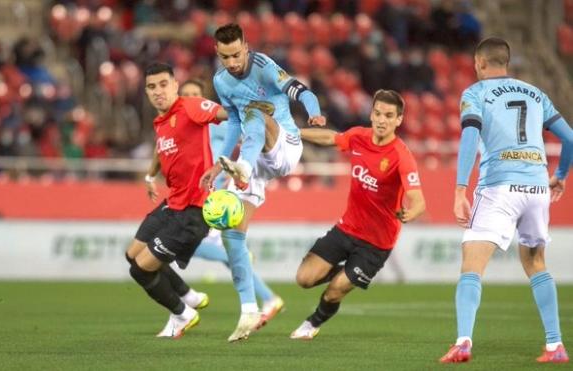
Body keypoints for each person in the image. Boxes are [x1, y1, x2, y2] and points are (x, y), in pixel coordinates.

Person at [439, 37, 572, 364]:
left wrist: (459, 189)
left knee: (472, 262)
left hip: (499, 186)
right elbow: (569, 138)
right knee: (536, 263)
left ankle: (463, 341)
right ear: (506, 62)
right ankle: (555, 346)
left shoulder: (475, 93)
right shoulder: (536, 93)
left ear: (480, 63)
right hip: (538, 188)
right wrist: (562, 176)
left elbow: (470, 134)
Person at [200, 23, 326, 342]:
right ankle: (249, 310)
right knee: (232, 235)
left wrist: (314, 112)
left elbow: (301, 91)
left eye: (236, 54)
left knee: (255, 113)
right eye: (225, 56)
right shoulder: (221, 81)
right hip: (254, 158)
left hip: (284, 145)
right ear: (218, 52)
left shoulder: (264, 66)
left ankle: (241, 166)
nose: (231, 62)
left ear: (246, 46)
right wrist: (218, 165)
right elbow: (232, 127)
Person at [290, 89, 426, 340]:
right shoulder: (359, 137)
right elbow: (330, 137)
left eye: (388, 115)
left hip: (376, 242)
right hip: (346, 229)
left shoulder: (401, 156)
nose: (382, 120)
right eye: (377, 113)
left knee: (336, 290)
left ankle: (312, 323)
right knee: (304, 279)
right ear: (371, 114)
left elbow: (419, 200)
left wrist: (410, 213)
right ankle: (348, 272)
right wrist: (295, 133)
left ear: (399, 120)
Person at [126, 63, 226, 339]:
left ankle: (182, 314)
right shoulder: (160, 123)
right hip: (173, 202)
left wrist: (250, 114)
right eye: (151, 87)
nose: (157, 91)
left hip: (194, 209)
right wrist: (149, 176)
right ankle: (188, 295)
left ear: (174, 85)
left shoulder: (191, 106)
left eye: (162, 84)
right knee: (132, 253)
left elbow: (225, 114)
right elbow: (162, 153)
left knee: (141, 270)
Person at [179, 79, 285, 331]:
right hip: (199, 194)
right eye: (186, 96)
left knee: (187, 243)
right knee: (219, 251)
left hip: (218, 194)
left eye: (196, 94)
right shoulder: (183, 125)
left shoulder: (214, 121)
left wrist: (230, 169)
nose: (191, 99)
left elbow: (245, 134)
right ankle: (270, 298)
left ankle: (258, 290)